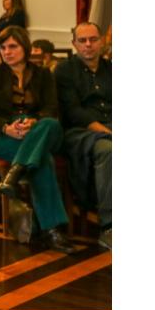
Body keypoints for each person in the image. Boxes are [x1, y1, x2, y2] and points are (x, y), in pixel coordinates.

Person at [0, 26, 75, 253]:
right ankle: (53, 231)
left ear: (25, 48)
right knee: (43, 161)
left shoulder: (43, 74)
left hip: (39, 129)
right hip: (4, 135)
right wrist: (5, 128)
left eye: (13, 46)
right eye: (3, 47)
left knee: (49, 124)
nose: (7, 52)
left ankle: (16, 171)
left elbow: (51, 108)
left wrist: (34, 122)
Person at [55, 22, 111, 250]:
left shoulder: (113, 69)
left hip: (111, 125)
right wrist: (107, 131)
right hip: (79, 133)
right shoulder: (64, 71)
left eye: (93, 39)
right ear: (74, 44)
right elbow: (73, 111)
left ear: (102, 41)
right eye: (83, 40)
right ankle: (109, 226)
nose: (88, 45)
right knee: (109, 150)